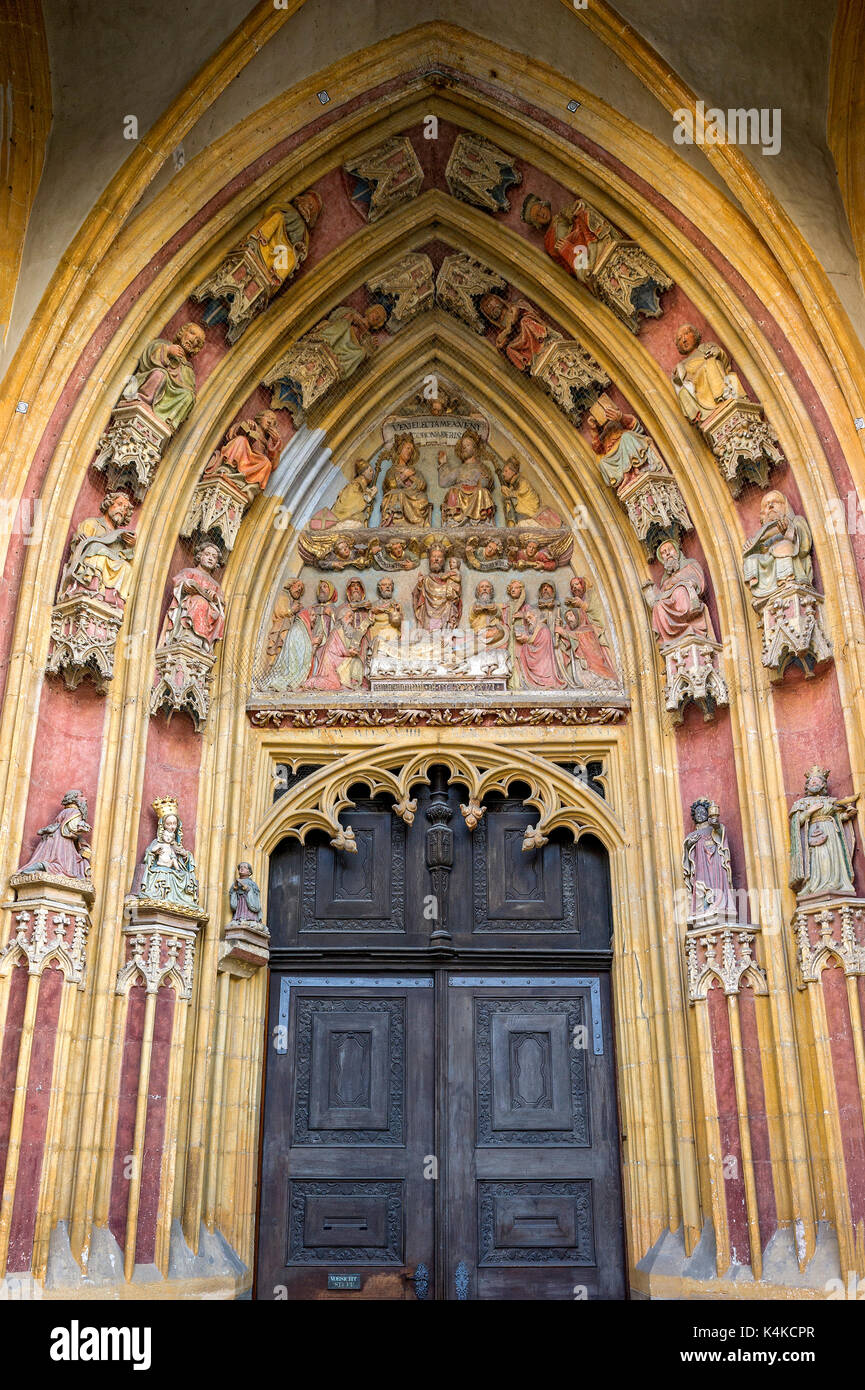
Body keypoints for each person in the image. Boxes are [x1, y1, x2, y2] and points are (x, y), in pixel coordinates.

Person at [789, 767, 858, 899]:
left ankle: (836, 883)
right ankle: (816, 885)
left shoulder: (831, 801)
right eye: (811, 782)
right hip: (814, 833)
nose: (814, 784)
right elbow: (797, 822)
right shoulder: (802, 803)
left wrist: (847, 815)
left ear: (823, 785)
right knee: (820, 858)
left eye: (817, 782)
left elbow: (838, 818)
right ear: (807, 786)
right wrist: (809, 811)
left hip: (831, 832)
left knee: (833, 857)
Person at [60, 490, 136, 608]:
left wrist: (130, 546)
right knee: (97, 548)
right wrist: (80, 540)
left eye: (125, 508)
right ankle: (91, 587)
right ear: (109, 504)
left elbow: (123, 556)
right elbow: (80, 546)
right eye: (119, 504)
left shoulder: (121, 537)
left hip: (110, 565)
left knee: (127, 567)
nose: (122, 510)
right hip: (92, 561)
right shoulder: (91, 523)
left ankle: (113, 598)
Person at [121, 323, 205, 429]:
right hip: (150, 382)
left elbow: (189, 389)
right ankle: (144, 401)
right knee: (159, 374)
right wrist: (168, 351)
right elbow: (147, 361)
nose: (193, 340)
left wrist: (188, 394)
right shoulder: (163, 345)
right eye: (192, 333)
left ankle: (168, 420)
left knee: (188, 395)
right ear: (183, 332)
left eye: (198, 341)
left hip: (168, 404)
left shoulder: (188, 370)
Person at [743, 490, 813, 600]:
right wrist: (752, 546)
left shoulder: (796, 520)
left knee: (783, 546)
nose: (770, 506)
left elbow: (804, 545)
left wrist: (788, 530)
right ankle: (761, 594)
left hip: (787, 552)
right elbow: (761, 549)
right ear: (762, 514)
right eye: (767, 505)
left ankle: (786, 582)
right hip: (768, 561)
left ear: (785, 506)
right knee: (751, 560)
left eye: (775, 502)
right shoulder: (762, 534)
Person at [642, 539, 715, 645]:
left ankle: (688, 627)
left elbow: (698, 581)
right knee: (658, 606)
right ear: (662, 559)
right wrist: (652, 590)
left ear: (676, 550)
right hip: (671, 604)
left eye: (669, 549)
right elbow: (663, 594)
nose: (667, 553)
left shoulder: (690, 564)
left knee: (679, 591)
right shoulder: (665, 580)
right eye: (663, 553)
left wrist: (677, 583)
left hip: (688, 601)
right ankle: (670, 636)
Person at [159, 541, 225, 654]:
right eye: (207, 554)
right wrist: (187, 585)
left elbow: (221, 601)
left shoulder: (215, 584)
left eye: (214, 557)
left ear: (216, 562)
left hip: (208, 612)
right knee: (199, 602)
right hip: (189, 605)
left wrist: (214, 597)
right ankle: (187, 635)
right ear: (200, 556)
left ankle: (200, 642)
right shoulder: (189, 572)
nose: (210, 558)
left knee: (214, 612)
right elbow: (179, 582)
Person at [305, 579, 372, 690]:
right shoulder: (341, 613)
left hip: (358, 645)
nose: (355, 588)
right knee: (355, 664)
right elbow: (336, 647)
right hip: (338, 657)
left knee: (360, 663)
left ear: (362, 590)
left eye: (358, 586)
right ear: (348, 591)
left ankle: (359, 681)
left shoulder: (366, 609)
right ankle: (350, 683)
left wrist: (368, 619)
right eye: (353, 586)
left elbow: (361, 632)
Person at [672, 324, 744, 425]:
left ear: (695, 334)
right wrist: (677, 377)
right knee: (707, 366)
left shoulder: (706, 347)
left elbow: (722, 357)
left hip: (714, 371)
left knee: (711, 363)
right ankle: (721, 397)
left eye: (687, 334)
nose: (684, 340)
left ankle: (724, 396)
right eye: (679, 339)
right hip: (699, 387)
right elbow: (681, 382)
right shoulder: (681, 365)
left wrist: (714, 354)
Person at [137, 799, 199, 909]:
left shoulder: (176, 844)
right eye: (169, 824)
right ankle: (161, 896)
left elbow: (182, 861)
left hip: (174, 870)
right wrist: (154, 852)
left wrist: (185, 855)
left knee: (185, 876)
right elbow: (149, 854)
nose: (172, 827)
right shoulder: (157, 842)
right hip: (161, 868)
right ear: (163, 825)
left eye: (174, 824)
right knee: (162, 874)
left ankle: (182, 900)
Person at [504, 579, 566, 689]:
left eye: (517, 587)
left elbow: (535, 622)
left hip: (525, 641)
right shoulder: (507, 607)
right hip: (511, 639)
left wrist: (522, 615)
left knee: (520, 656)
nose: (513, 589)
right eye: (512, 588)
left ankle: (519, 683)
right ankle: (514, 683)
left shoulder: (528, 609)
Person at [682, 798, 737, 919]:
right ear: (694, 816)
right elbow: (686, 850)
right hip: (700, 863)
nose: (700, 815)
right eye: (697, 813)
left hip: (716, 861)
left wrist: (716, 825)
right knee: (701, 883)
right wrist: (689, 844)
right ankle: (703, 909)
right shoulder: (692, 835)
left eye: (702, 812)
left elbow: (721, 833)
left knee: (717, 881)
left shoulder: (715, 828)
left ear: (708, 813)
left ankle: (721, 905)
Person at [18, 790, 92, 880]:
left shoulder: (65, 812)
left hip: (53, 839)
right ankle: (40, 867)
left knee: (52, 860)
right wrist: (83, 828)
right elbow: (70, 829)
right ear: (74, 799)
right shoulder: (75, 812)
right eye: (81, 796)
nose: (85, 799)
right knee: (63, 866)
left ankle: (35, 867)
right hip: (62, 842)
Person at [203, 411, 282, 490]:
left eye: (273, 421)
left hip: (254, 460)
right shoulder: (251, 425)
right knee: (241, 440)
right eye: (268, 417)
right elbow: (231, 434)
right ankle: (229, 466)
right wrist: (245, 425)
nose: (269, 422)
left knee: (267, 463)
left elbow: (273, 466)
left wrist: (276, 444)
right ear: (259, 418)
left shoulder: (268, 443)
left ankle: (250, 483)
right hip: (244, 454)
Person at [380, 435, 431, 527]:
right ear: (400, 449)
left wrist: (411, 476)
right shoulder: (392, 470)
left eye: (411, 450)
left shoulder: (415, 471)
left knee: (423, 498)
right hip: (399, 494)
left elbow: (422, 485)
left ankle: (416, 523)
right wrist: (404, 475)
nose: (409, 452)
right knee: (396, 494)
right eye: (407, 448)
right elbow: (391, 485)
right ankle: (395, 521)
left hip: (413, 495)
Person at [412, 544, 462, 630]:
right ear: (429, 560)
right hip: (428, 616)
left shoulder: (450, 578)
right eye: (433, 556)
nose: (436, 559)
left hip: (446, 615)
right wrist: (420, 585)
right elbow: (416, 595)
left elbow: (456, 597)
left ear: (444, 561)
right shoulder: (426, 579)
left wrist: (453, 593)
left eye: (439, 557)